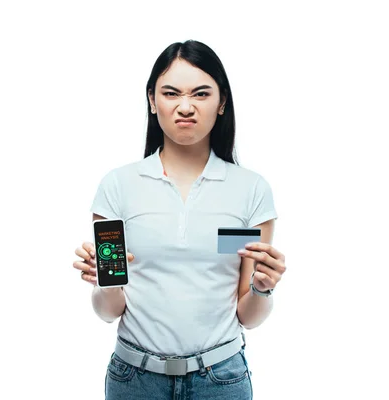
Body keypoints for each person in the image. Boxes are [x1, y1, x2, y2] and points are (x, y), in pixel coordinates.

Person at [72, 40, 287, 399]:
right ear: (153, 101)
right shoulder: (118, 187)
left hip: (221, 380)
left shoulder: (251, 190)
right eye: (171, 93)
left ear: (221, 103)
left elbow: (248, 316)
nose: (185, 107)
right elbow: (108, 311)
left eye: (201, 94)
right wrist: (106, 283)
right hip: (134, 380)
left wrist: (263, 288)